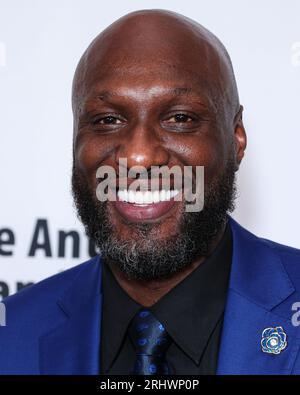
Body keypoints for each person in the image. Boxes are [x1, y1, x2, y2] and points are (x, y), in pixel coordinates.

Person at [1, 9, 300, 375]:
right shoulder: (10, 336)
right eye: (108, 120)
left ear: (236, 139)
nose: (139, 156)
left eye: (180, 118)